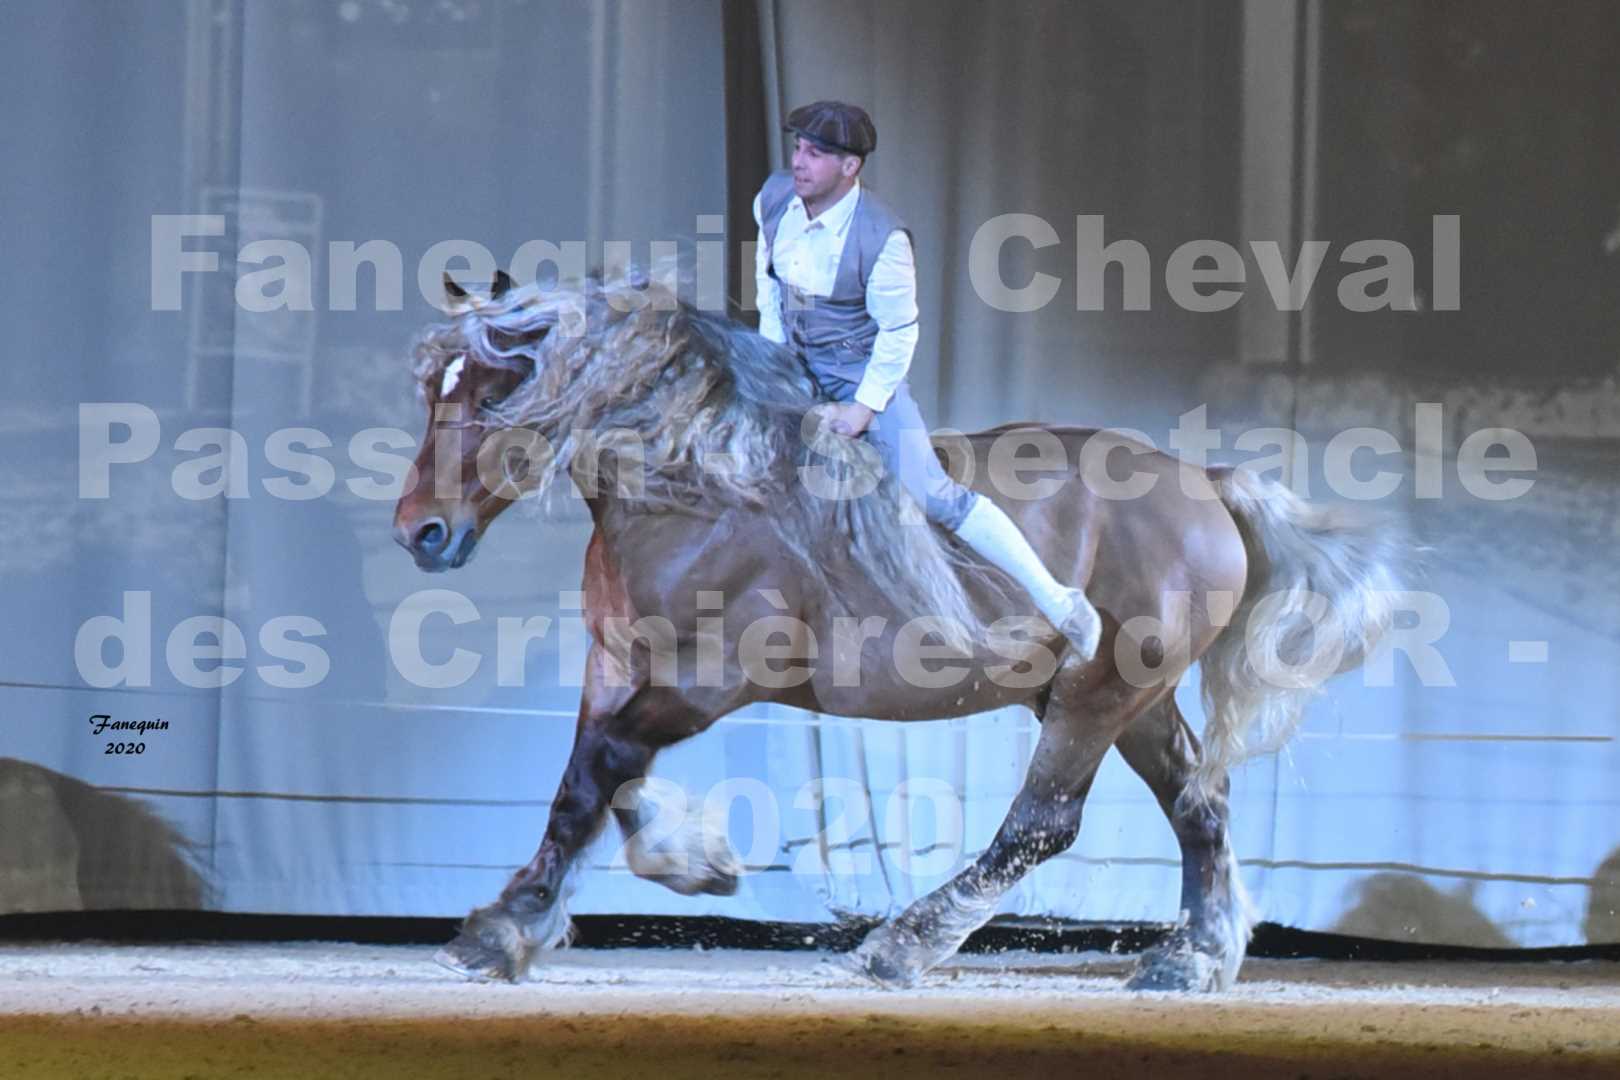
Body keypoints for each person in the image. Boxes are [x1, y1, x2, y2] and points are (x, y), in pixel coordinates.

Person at [753, 100, 1102, 661]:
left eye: (816, 154)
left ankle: (1060, 602)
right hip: (791, 364)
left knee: (929, 493)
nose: (799, 161)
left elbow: (898, 335)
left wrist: (863, 410)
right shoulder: (772, 201)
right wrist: (770, 367)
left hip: (859, 376)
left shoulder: (883, 239)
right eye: (797, 148)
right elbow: (768, 284)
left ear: (850, 168)